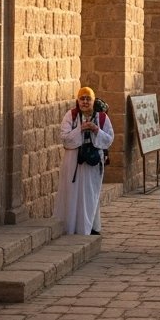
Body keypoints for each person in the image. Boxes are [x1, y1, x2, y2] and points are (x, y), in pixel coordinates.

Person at [54, 87, 114, 236]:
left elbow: (109, 139)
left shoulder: (102, 118)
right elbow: (65, 138)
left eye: (88, 99)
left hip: (92, 164)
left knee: (89, 194)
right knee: (72, 194)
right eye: (82, 99)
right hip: (73, 161)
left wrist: (96, 130)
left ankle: (87, 227)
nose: (85, 102)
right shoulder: (71, 116)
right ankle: (71, 227)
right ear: (78, 101)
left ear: (93, 101)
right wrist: (80, 129)